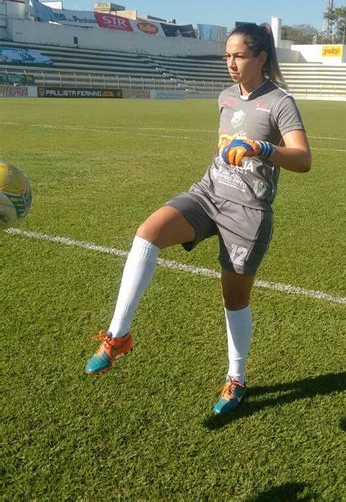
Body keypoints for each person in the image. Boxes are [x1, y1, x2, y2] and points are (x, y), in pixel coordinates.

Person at [85, 23, 312, 415]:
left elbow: (304, 159)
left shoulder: (280, 101)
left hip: (249, 211)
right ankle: (117, 335)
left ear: (260, 57)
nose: (231, 63)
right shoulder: (225, 98)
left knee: (234, 299)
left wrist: (261, 148)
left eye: (239, 56)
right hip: (208, 193)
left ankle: (236, 379)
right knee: (147, 233)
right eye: (227, 56)